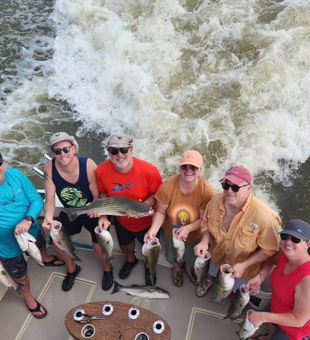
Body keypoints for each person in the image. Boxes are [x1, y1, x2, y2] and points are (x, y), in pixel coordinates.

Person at [195, 165, 281, 295]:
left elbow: (269, 249)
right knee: (211, 272)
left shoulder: (266, 218)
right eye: (226, 185)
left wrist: (244, 265)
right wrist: (204, 241)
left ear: (249, 188)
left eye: (235, 187)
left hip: (244, 270)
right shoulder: (214, 200)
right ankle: (210, 278)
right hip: (217, 256)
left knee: (237, 292)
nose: (229, 191)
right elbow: (206, 223)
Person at [42, 132, 113, 291]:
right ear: (53, 153)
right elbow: (50, 199)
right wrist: (47, 216)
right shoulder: (49, 168)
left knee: (99, 247)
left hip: (90, 211)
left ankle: (108, 269)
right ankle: (72, 268)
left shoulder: (88, 165)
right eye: (57, 151)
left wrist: (98, 211)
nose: (62, 154)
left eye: (66, 149)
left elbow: (97, 195)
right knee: (57, 242)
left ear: (73, 148)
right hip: (70, 212)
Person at [95, 133, 162, 285]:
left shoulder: (149, 171)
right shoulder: (101, 171)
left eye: (124, 150)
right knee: (125, 245)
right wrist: (104, 215)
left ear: (131, 150)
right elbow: (103, 193)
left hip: (146, 222)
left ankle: (148, 266)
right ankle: (131, 261)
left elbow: (157, 195)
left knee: (149, 250)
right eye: (114, 151)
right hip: (121, 220)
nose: (120, 155)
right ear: (108, 152)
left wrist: (142, 207)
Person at [144, 150, 213, 290]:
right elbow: (161, 211)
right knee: (173, 255)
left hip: (194, 236)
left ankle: (188, 267)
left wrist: (187, 229)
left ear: (200, 170)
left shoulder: (206, 191)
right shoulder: (168, 185)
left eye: (193, 167)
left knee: (191, 257)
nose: (188, 170)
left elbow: (203, 220)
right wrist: (153, 230)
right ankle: (176, 267)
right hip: (171, 234)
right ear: (179, 168)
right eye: (184, 166)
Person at [0, 152, 53, 318]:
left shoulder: (15, 175)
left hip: (31, 230)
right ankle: (28, 297)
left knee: (41, 245)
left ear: (4, 162)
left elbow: (36, 199)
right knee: (21, 277)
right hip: (6, 245)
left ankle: (45, 258)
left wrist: (28, 219)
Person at [247, 219, 310, 340]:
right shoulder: (285, 253)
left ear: (308, 244)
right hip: (276, 308)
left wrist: (263, 317)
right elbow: (271, 262)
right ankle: (268, 335)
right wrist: (260, 277)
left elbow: (299, 320)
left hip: (294, 330)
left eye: (295, 239)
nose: (288, 242)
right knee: (271, 332)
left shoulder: (307, 279)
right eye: (285, 236)